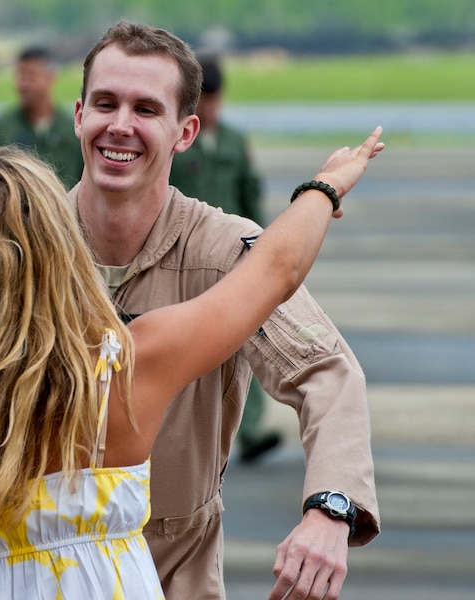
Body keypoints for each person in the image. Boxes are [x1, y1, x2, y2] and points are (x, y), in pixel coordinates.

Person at [0, 22, 383, 600]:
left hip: (170, 566)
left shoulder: (218, 251)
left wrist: (329, 510)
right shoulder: (21, 244)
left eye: (145, 109)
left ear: (186, 131)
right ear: (78, 114)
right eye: (105, 103)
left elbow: (324, 370)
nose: (120, 124)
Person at [169, 54, 281, 463]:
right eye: (204, 99)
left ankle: (247, 431)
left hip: (235, 255)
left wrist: (264, 248)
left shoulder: (235, 142)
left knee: (249, 342)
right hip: (188, 255)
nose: (211, 108)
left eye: (215, 99)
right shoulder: (178, 140)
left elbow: (251, 194)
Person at [0, 45, 83, 189]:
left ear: (51, 78)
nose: (23, 84)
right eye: (20, 75)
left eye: (31, 76)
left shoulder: (74, 130)